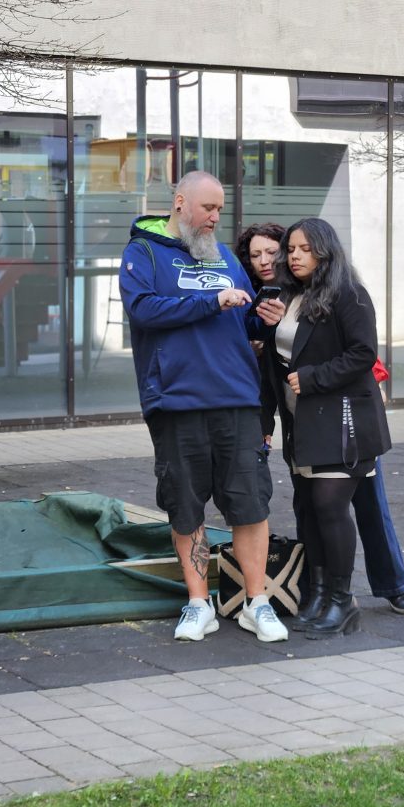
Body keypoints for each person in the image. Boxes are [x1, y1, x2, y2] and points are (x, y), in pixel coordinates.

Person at [119, 170, 288, 644]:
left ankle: (257, 603)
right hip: (176, 400)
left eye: (219, 210)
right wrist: (211, 302)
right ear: (180, 202)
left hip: (237, 398)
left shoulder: (225, 256)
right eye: (208, 208)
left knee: (250, 505)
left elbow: (242, 320)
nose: (216, 217)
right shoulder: (142, 252)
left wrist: (263, 319)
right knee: (185, 506)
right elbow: (143, 310)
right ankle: (199, 604)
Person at [236, 223, 404, 619]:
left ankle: (355, 595)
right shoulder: (282, 296)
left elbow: (362, 352)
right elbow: (274, 368)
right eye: (290, 250)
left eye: (300, 249)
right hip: (303, 424)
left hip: (344, 423)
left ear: (324, 250)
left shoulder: (347, 293)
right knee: (313, 509)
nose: (289, 257)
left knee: (345, 507)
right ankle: (318, 593)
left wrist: (314, 377)